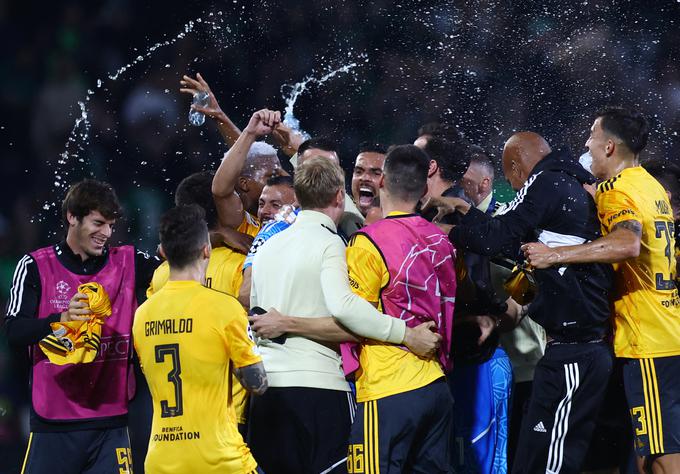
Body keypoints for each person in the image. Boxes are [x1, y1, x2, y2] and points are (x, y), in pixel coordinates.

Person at [432, 131, 614, 473]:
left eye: (512, 178)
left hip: (576, 351)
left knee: (551, 463)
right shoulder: (567, 183)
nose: (515, 189)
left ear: (516, 167)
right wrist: (465, 210)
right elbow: (517, 250)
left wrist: (448, 232)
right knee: (534, 459)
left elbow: (498, 235)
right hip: (567, 351)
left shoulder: (545, 181)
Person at [248, 155, 442, 474]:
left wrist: (286, 324)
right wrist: (406, 333)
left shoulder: (267, 246)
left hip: (268, 394)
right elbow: (347, 312)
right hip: (318, 391)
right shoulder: (331, 245)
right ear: (340, 196)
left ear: (298, 196)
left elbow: (258, 316)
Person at [523, 107, 680, 473]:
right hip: (665, 328)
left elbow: (627, 243)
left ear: (609, 147)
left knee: (664, 452)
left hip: (648, 340)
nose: (586, 143)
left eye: (592, 135)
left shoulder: (617, 190)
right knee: (649, 451)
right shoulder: (650, 184)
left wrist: (553, 255)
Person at [4, 179, 159, 473]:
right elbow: (13, 331)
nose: (106, 234)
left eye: (111, 225)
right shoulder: (35, 266)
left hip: (111, 423)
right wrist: (59, 320)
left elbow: (177, 266)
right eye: (98, 223)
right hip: (53, 424)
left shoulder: (129, 262)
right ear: (72, 217)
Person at [133, 204, 266, 474]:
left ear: (164, 252)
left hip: (161, 461)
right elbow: (257, 383)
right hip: (219, 459)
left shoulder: (142, 315)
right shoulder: (224, 308)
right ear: (207, 250)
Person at [350, 143, 386, 217]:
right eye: (359, 172)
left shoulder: (400, 226)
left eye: (376, 173)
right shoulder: (339, 221)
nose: (365, 178)